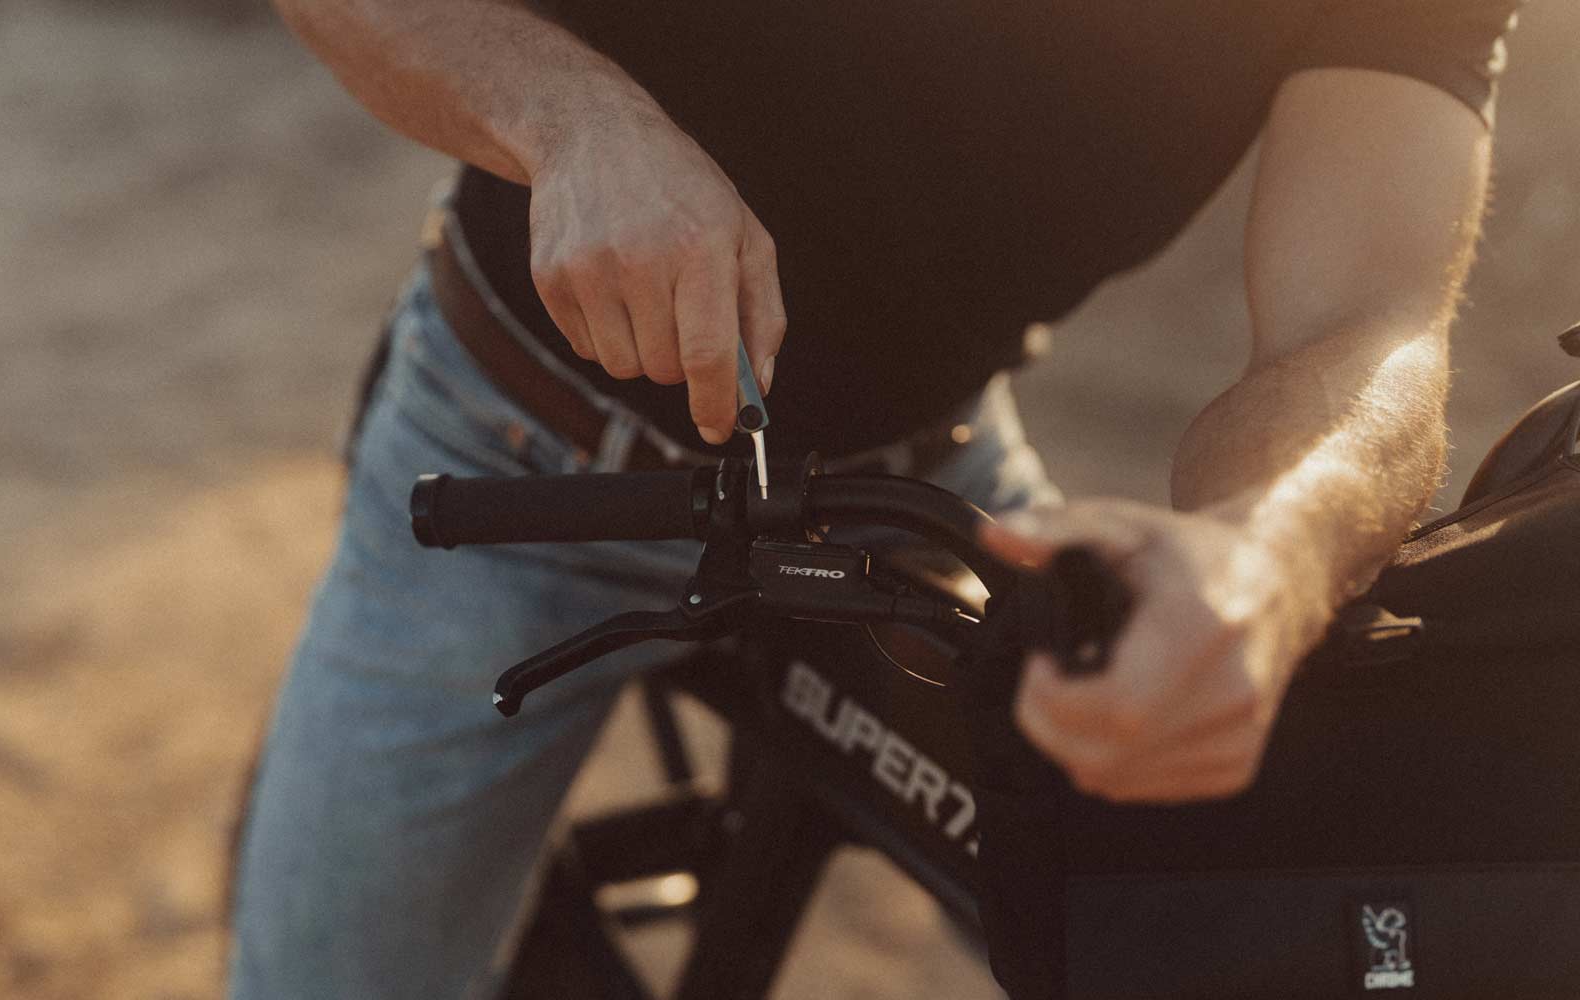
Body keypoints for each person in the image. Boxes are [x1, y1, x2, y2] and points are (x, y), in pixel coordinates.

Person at [230, 1, 1525, 996]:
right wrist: (573, 122)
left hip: (921, 477)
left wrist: (1265, 558)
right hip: (513, 446)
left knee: (1194, 930)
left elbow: (1366, 323)